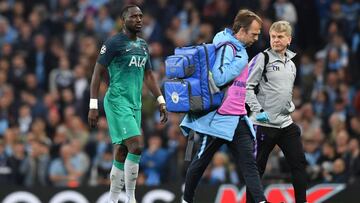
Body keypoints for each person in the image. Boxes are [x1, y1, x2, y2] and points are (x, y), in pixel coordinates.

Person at [180, 9, 267, 203]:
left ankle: (260, 201)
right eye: (254, 33)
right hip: (218, 118)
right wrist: (241, 61)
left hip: (236, 116)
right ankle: (186, 200)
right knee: (201, 162)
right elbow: (218, 77)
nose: (256, 37)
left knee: (249, 165)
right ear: (242, 31)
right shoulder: (228, 48)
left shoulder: (239, 50)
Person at [88, 5, 167, 203]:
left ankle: (113, 200)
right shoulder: (113, 43)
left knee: (122, 151)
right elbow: (97, 73)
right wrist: (93, 105)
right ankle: (131, 198)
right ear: (124, 20)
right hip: (117, 101)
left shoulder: (143, 45)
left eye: (141, 15)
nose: (139, 19)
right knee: (137, 146)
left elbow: (149, 75)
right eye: (134, 16)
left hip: (135, 104)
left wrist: (160, 100)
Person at [245, 20, 307, 203]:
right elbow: (247, 88)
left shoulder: (292, 65)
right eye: (273, 37)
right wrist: (258, 110)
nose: (276, 40)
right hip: (262, 123)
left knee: (299, 164)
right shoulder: (261, 59)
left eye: (280, 37)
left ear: (289, 39)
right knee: (256, 169)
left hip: (285, 123)